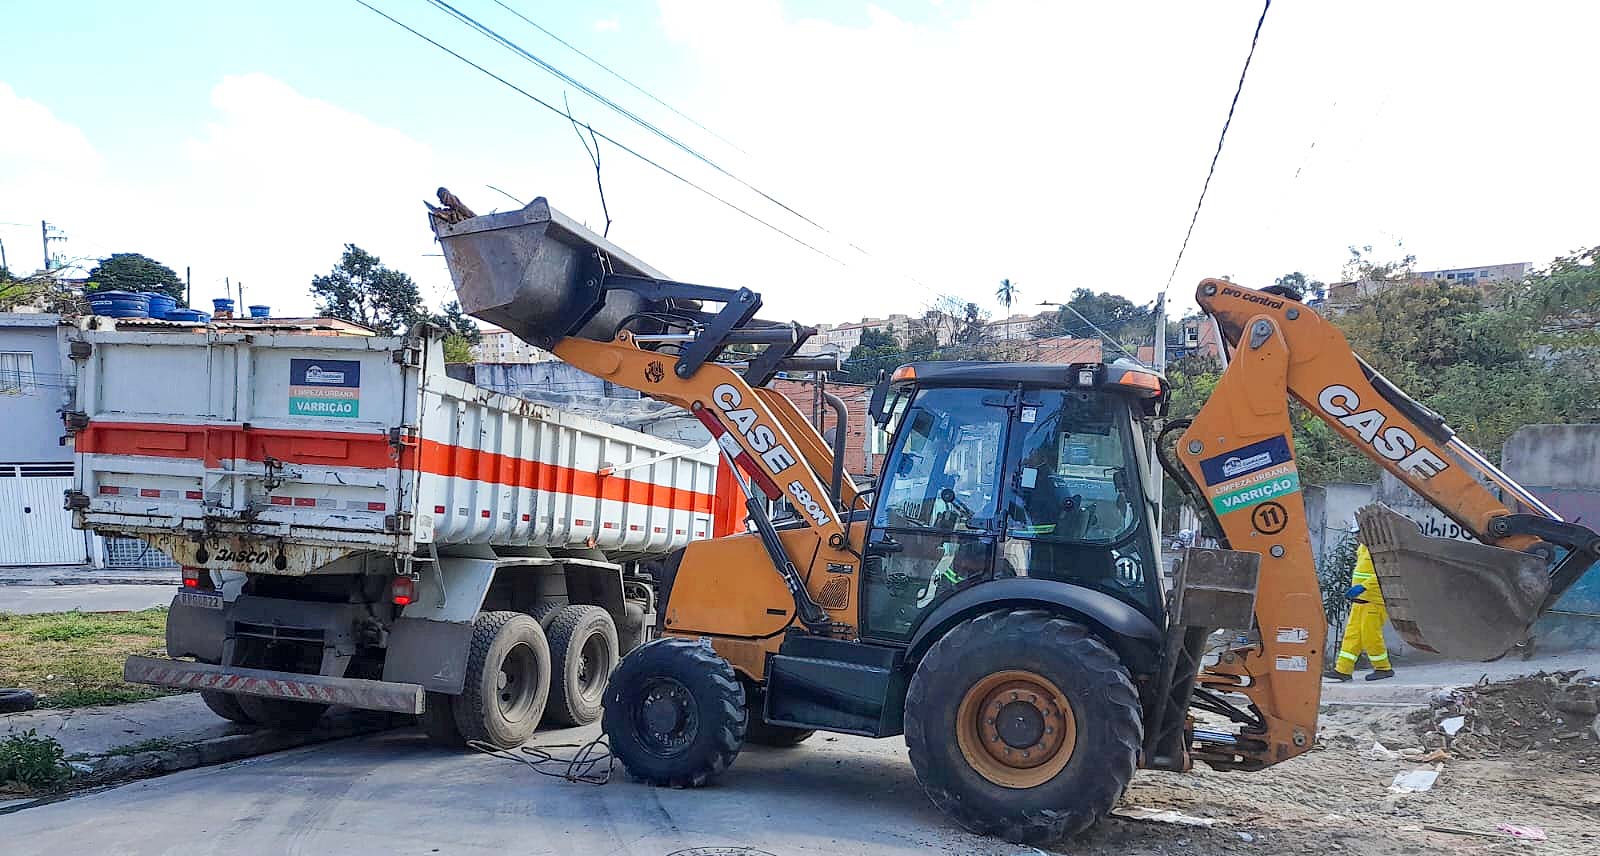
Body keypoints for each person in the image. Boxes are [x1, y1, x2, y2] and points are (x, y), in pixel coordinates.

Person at [1324, 540, 1395, 682]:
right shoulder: (1363, 547)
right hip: (1360, 601)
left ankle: (1383, 668)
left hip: (1374, 601)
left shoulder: (1382, 548)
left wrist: (1364, 586)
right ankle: (1343, 670)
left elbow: (1386, 573)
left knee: (1371, 636)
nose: (1356, 536)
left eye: (1358, 533)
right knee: (1352, 636)